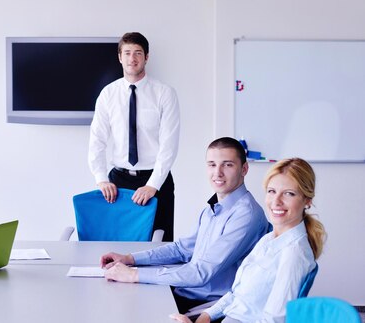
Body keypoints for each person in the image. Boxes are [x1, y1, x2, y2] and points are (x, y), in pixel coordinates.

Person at [100, 137, 268, 314]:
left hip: (206, 306)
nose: (217, 173)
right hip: (184, 292)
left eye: (227, 165)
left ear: (244, 169)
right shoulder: (212, 210)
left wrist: (134, 275)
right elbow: (181, 249)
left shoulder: (246, 215)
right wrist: (130, 259)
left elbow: (200, 272)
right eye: (212, 164)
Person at [170, 158, 326, 323]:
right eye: (272, 191)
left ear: (307, 200)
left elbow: (274, 320)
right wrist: (206, 316)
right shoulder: (269, 239)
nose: (276, 201)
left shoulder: (294, 254)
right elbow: (237, 295)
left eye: (289, 193)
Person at [88, 32, 180, 241]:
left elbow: (169, 145)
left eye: (138, 53)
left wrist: (152, 185)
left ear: (146, 57)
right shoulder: (108, 94)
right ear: (120, 57)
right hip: (118, 182)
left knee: (159, 247)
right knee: (117, 244)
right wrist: (101, 179)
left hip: (156, 180)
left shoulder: (165, 94)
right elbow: (97, 140)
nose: (132, 58)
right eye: (127, 53)